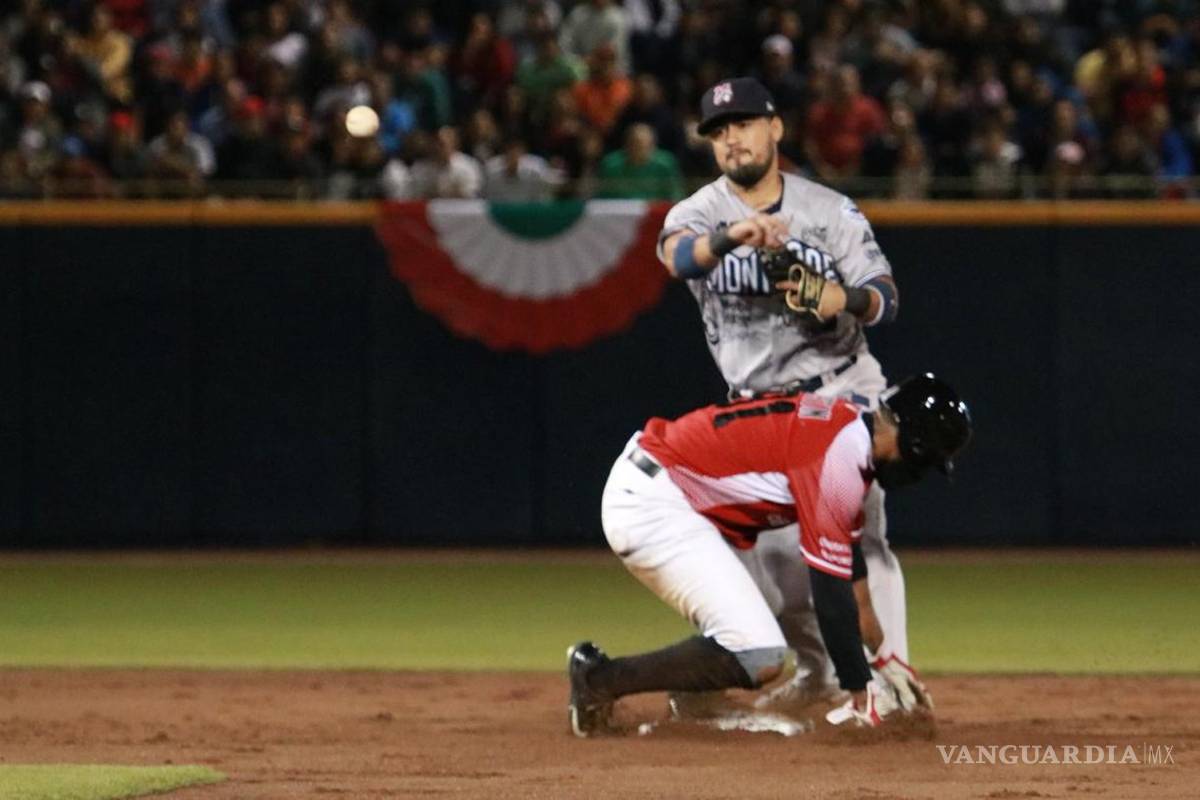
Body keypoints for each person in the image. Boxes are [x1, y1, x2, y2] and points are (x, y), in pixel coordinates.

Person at [654, 76, 911, 715]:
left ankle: (890, 679)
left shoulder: (828, 210)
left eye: (742, 123)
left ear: (775, 128)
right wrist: (731, 238)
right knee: (783, 566)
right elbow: (677, 258)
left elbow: (885, 297)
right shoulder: (697, 213)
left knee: (860, 540)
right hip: (762, 411)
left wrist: (842, 298)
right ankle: (828, 680)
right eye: (717, 131)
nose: (730, 138)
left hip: (842, 389)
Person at [567, 374, 972, 737]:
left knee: (769, 606)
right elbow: (830, 594)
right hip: (656, 504)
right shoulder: (840, 456)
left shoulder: (848, 434)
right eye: (927, 462)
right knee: (759, 653)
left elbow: (856, 591)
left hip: (673, 493)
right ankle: (599, 679)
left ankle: (695, 699)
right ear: (916, 446)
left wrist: (886, 661)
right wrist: (859, 689)